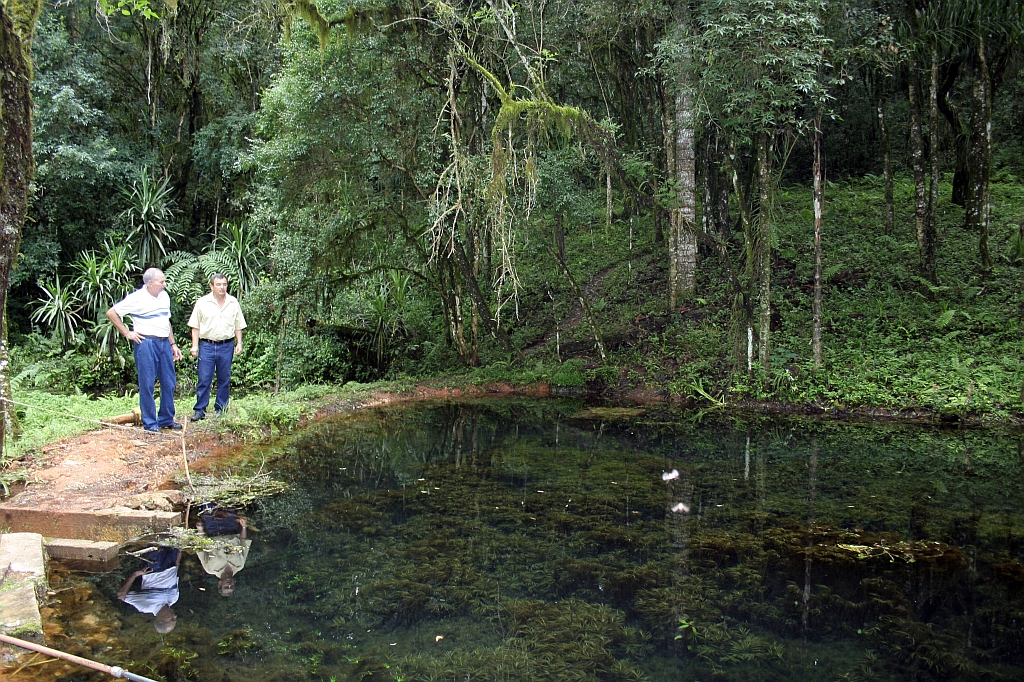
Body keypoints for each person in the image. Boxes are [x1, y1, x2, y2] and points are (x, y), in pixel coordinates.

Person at [106, 268, 184, 433]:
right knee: (147, 383)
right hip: (146, 343)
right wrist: (127, 333)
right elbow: (112, 313)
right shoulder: (137, 298)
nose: (165, 284)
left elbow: (166, 321)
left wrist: (173, 344)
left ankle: (166, 419)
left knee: (169, 382)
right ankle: (150, 423)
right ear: (150, 283)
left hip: (164, 342)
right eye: (161, 282)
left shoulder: (164, 296)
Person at [188, 273, 247, 420]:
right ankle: (200, 410)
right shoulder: (202, 302)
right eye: (218, 284)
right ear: (211, 286)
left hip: (226, 345)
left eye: (224, 284)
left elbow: (238, 325)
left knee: (224, 378)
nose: (222, 287)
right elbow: (195, 326)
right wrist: (194, 346)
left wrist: (239, 342)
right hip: (207, 345)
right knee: (204, 378)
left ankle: (221, 409)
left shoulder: (233, 302)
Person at [116, 547, 181, 633]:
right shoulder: (174, 598)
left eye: (172, 619)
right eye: (175, 619)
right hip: (172, 561)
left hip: (155, 567)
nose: (175, 616)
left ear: (161, 620)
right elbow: (176, 569)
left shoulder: (146, 606)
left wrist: (135, 575)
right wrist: (179, 553)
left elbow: (121, 595)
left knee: (155, 542)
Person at [195, 513, 251, 597]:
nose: (229, 584)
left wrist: (200, 531)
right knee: (229, 506)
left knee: (208, 508)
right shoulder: (240, 565)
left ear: (220, 584)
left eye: (226, 587)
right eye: (232, 586)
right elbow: (244, 542)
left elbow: (200, 549)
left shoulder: (210, 569)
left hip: (212, 528)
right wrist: (243, 527)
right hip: (231, 526)